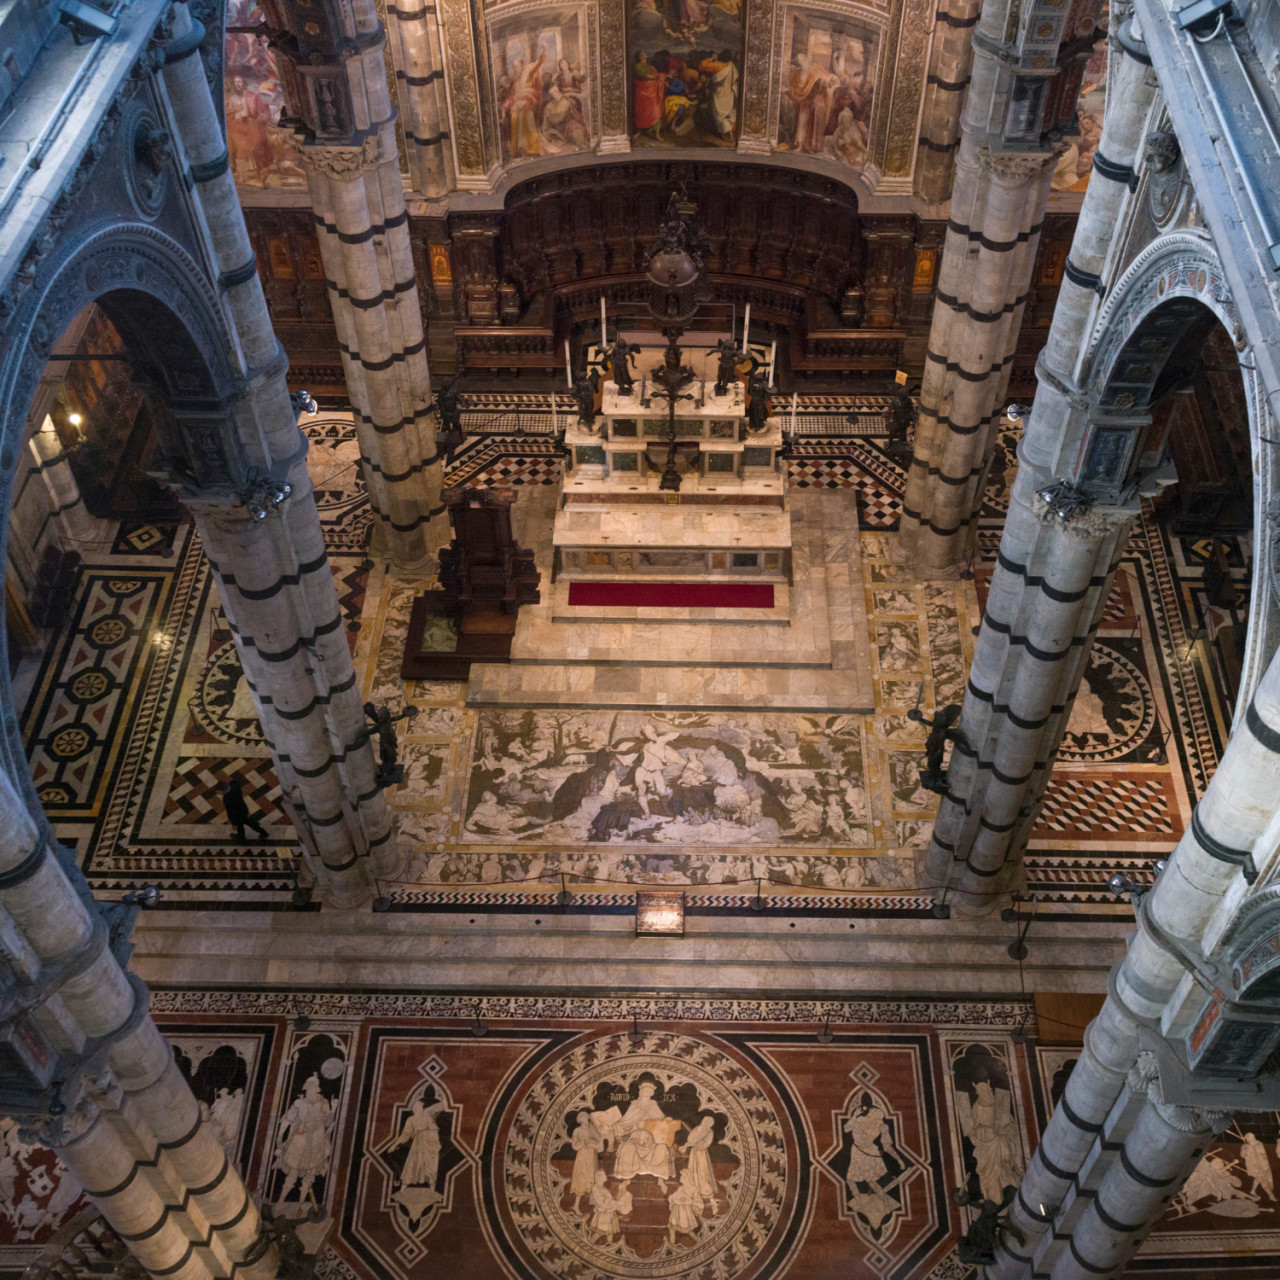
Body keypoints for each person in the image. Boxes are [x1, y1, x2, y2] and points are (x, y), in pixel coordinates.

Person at [276, 1075, 335, 1205]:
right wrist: (279, 1137)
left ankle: (301, 1204)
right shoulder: (299, 1103)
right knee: (293, 1171)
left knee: (310, 1174)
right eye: (309, 1086)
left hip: (315, 1140)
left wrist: (333, 1111)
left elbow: (327, 1123)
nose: (311, 1089)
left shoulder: (323, 1103)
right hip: (299, 1139)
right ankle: (280, 1201)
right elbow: (288, 1119)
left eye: (313, 1087)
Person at [387, 1094, 447, 1189]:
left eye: (418, 1106)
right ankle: (403, 1189)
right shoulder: (411, 1119)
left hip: (432, 1142)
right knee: (412, 1165)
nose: (416, 1108)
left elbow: (441, 1105)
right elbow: (405, 1135)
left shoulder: (428, 1113)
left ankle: (432, 1191)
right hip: (419, 1143)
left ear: (421, 1107)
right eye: (415, 1107)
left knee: (432, 1167)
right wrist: (394, 1145)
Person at [785, 54, 839, 153]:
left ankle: (814, 147)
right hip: (805, 99)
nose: (801, 60)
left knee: (818, 114)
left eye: (802, 58)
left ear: (806, 58)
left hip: (817, 96)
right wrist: (787, 90)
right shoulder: (797, 73)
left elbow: (823, 77)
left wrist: (827, 82)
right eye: (798, 59)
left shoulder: (814, 68)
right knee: (802, 121)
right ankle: (800, 145)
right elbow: (795, 88)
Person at [507, 52, 548, 158]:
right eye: (513, 67)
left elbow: (539, 63)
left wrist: (544, 49)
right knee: (515, 117)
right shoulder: (515, 82)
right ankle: (521, 149)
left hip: (529, 101)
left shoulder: (528, 73)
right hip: (517, 105)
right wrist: (507, 106)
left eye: (516, 66)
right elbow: (511, 96)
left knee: (528, 119)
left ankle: (533, 149)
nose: (515, 69)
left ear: (521, 65)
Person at [679, 1113, 718, 1202]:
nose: (702, 1121)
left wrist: (686, 1146)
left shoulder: (704, 1129)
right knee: (694, 1170)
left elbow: (692, 1139)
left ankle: (704, 1193)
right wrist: (687, 1145)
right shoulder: (702, 1129)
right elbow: (693, 1139)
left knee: (700, 1172)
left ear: (708, 1122)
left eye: (704, 1120)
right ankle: (695, 1193)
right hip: (696, 1151)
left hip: (699, 1153)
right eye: (703, 1119)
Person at [569, 1111, 604, 1208]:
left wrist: (592, 1143)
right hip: (582, 1156)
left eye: (586, 1116)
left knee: (592, 1176)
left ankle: (594, 1202)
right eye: (582, 1116)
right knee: (581, 1177)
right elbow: (575, 1145)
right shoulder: (577, 1130)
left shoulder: (592, 1129)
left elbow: (598, 1143)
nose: (585, 1118)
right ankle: (576, 1205)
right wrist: (584, 1142)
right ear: (579, 1119)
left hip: (591, 1155)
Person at [223, 776, 266, 842]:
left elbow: (229, 810)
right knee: (249, 822)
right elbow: (234, 783)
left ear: (224, 790)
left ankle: (241, 837)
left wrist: (232, 821)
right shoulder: (234, 786)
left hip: (236, 814)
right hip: (243, 809)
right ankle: (263, 832)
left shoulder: (226, 798)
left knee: (240, 825)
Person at [666, 1167, 703, 1242]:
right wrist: (671, 1199)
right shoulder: (681, 1188)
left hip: (684, 1214)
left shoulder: (693, 1189)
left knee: (688, 1231)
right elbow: (674, 1197)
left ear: (688, 1177)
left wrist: (690, 1202)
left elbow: (700, 1204)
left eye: (683, 1175)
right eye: (681, 1175)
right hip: (675, 1212)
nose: (681, 1177)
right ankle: (672, 1248)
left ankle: (699, 1241)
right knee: (672, 1229)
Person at [1241, 1132, 1275, 1200]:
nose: (1253, 1140)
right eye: (1250, 1139)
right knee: (1262, 1180)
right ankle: (1271, 1196)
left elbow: (1264, 1155)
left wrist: (1265, 1165)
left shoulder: (1259, 1143)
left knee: (1260, 1178)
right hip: (1254, 1167)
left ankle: (1253, 1190)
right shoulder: (1245, 1146)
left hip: (1263, 1165)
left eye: (1253, 1138)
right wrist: (1247, 1149)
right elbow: (1243, 1155)